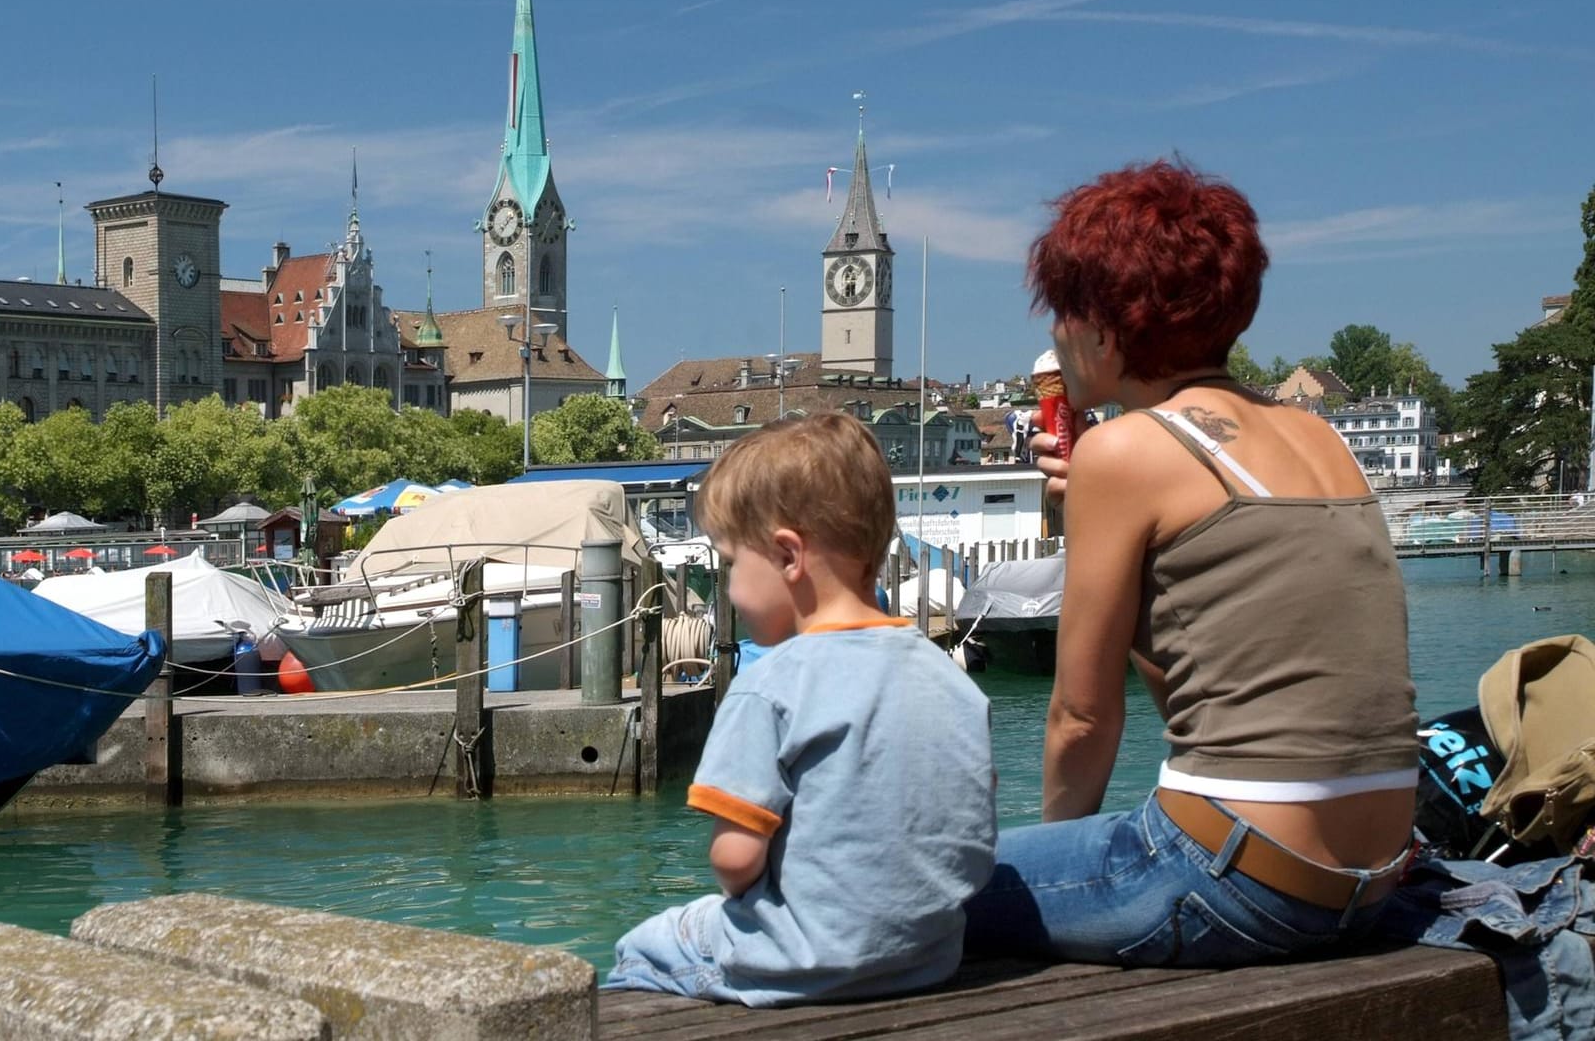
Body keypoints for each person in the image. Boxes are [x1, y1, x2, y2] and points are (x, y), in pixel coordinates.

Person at [963, 159, 1421, 967]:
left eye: (1066, 311)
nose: (1057, 336)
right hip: (1369, 882)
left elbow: (1082, 718)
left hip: (1240, 879)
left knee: (898, 890)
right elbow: (1198, 691)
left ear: (1105, 326)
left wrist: (1057, 872)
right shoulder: (1320, 436)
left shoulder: (1123, 450)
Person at [604, 412, 995, 1006]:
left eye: (731, 563)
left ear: (788, 557)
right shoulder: (949, 678)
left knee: (646, 943)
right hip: (927, 957)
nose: (729, 586)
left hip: (798, 960)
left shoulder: (772, 685)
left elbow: (736, 862)